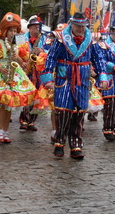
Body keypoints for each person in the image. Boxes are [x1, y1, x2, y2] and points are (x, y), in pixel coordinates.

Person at [40, 12, 110, 159]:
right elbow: (51, 58)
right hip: (64, 77)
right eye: (77, 26)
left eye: (83, 26)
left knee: (79, 113)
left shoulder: (91, 40)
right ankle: (59, 142)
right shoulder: (60, 39)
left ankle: (76, 145)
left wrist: (102, 76)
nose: (80, 29)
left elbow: (98, 60)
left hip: (83, 80)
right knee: (64, 112)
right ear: (72, 24)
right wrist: (47, 78)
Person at [0, 13, 35, 143]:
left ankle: (6, 131)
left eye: (14, 30)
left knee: (10, 104)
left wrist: (18, 58)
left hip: (15, 74)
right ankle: (0, 131)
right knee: (2, 104)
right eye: (10, 30)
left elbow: (24, 60)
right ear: (5, 31)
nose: (12, 33)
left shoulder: (20, 43)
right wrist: (0, 69)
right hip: (1, 74)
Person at [95, 23, 115, 141]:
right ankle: (107, 129)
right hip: (110, 79)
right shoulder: (104, 45)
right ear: (112, 31)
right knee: (111, 105)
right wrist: (113, 67)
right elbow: (100, 61)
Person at [17, 15, 47, 132]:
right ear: (29, 28)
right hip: (25, 69)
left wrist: (42, 51)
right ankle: (23, 119)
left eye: (38, 27)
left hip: (38, 71)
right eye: (34, 27)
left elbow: (50, 51)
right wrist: (22, 62)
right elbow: (14, 50)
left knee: (37, 96)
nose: (37, 30)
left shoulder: (44, 38)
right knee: (26, 94)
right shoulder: (20, 38)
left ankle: (32, 121)